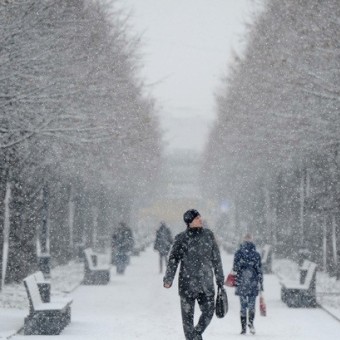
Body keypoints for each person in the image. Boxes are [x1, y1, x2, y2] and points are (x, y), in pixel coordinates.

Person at [163, 209, 224, 340]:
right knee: (187, 321)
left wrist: (220, 278)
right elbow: (173, 260)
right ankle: (192, 336)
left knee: (209, 312)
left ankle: (196, 335)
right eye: (197, 218)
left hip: (206, 284)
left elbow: (216, 259)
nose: (200, 219)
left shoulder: (208, 235)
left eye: (200, 217)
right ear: (189, 222)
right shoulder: (181, 239)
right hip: (187, 285)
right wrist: (168, 278)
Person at [232, 233, 263, 335]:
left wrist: (241, 265)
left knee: (243, 305)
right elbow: (259, 270)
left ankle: (243, 327)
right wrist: (261, 283)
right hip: (253, 282)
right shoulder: (256, 254)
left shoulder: (238, 253)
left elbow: (235, 268)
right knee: (251, 305)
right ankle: (251, 323)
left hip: (241, 282)